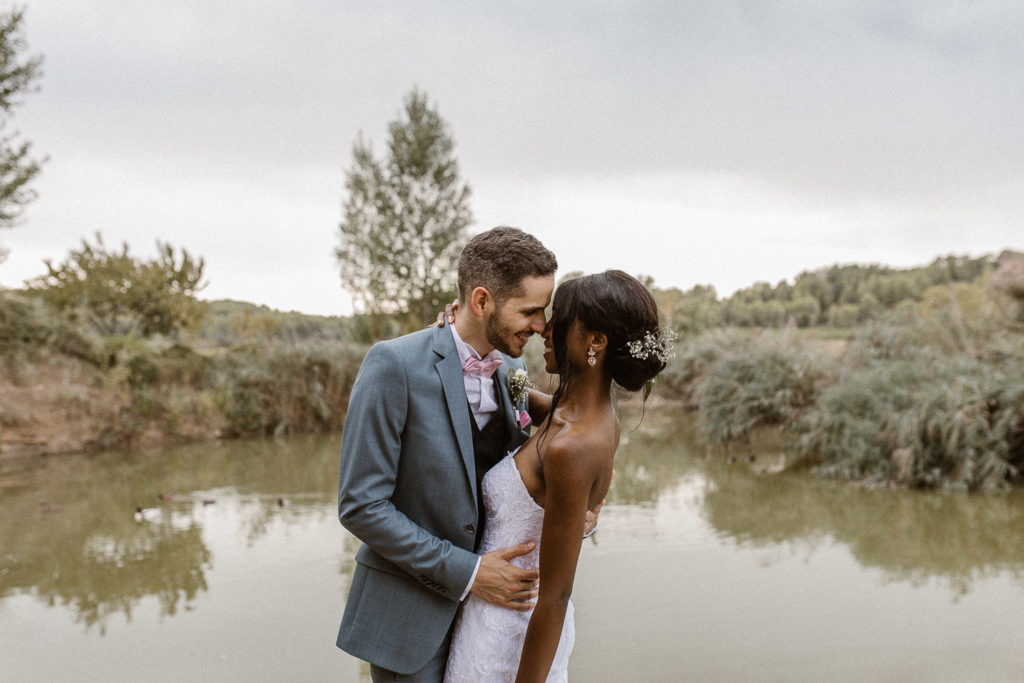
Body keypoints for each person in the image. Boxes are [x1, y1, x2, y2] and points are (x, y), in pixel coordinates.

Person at [336, 227, 560, 681]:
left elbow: (525, 476)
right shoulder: (392, 365)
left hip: (493, 625)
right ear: (481, 302)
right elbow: (361, 506)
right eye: (530, 311)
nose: (540, 327)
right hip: (411, 620)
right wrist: (471, 573)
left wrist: (578, 515)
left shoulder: (513, 367)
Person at [443, 270, 671, 682]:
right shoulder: (575, 415)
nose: (545, 329)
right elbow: (520, 392)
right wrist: (461, 336)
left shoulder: (574, 447)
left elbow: (555, 596)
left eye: (560, 319)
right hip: (490, 616)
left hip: (511, 643)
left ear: (595, 342)